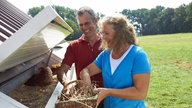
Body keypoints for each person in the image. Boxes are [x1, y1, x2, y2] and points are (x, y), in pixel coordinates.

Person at [80, 13, 151, 108]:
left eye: (106, 33)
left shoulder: (138, 55)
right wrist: (87, 85)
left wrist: (108, 92)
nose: (103, 37)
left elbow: (140, 93)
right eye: (102, 33)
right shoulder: (105, 55)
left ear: (120, 34)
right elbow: (85, 71)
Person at [56, 6, 103, 91]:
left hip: (107, 97)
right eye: (81, 25)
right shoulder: (74, 46)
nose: (84, 28)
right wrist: (67, 84)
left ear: (96, 21)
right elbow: (61, 71)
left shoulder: (107, 43)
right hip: (84, 98)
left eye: (87, 23)